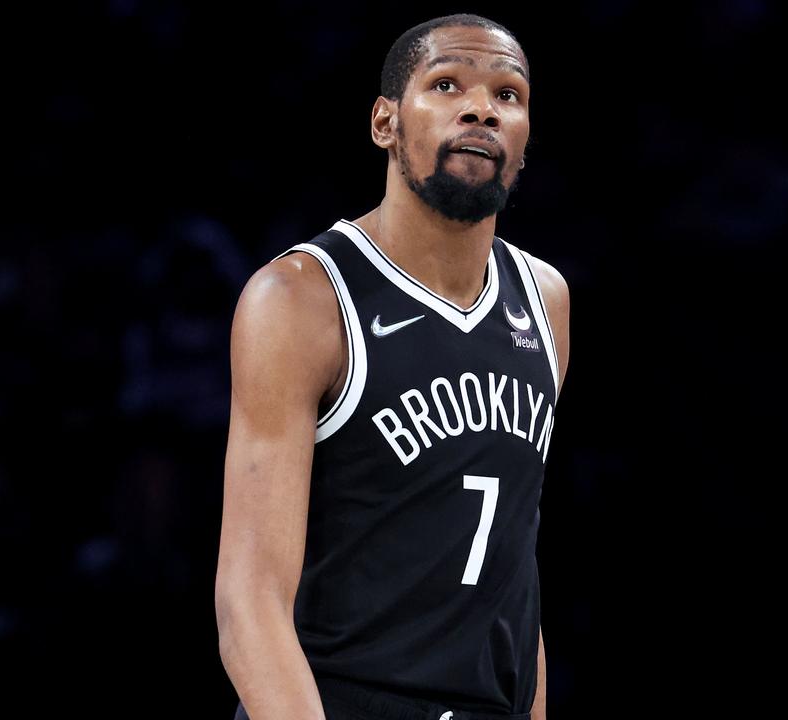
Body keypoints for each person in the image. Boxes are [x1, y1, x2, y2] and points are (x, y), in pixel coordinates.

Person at [215, 13, 569, 720]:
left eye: (509, 95)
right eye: (446, 84)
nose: (481, 108)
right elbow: (248, 601)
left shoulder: (545, 300)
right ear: (385, 123)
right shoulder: (300, 298)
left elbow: (512, 576)